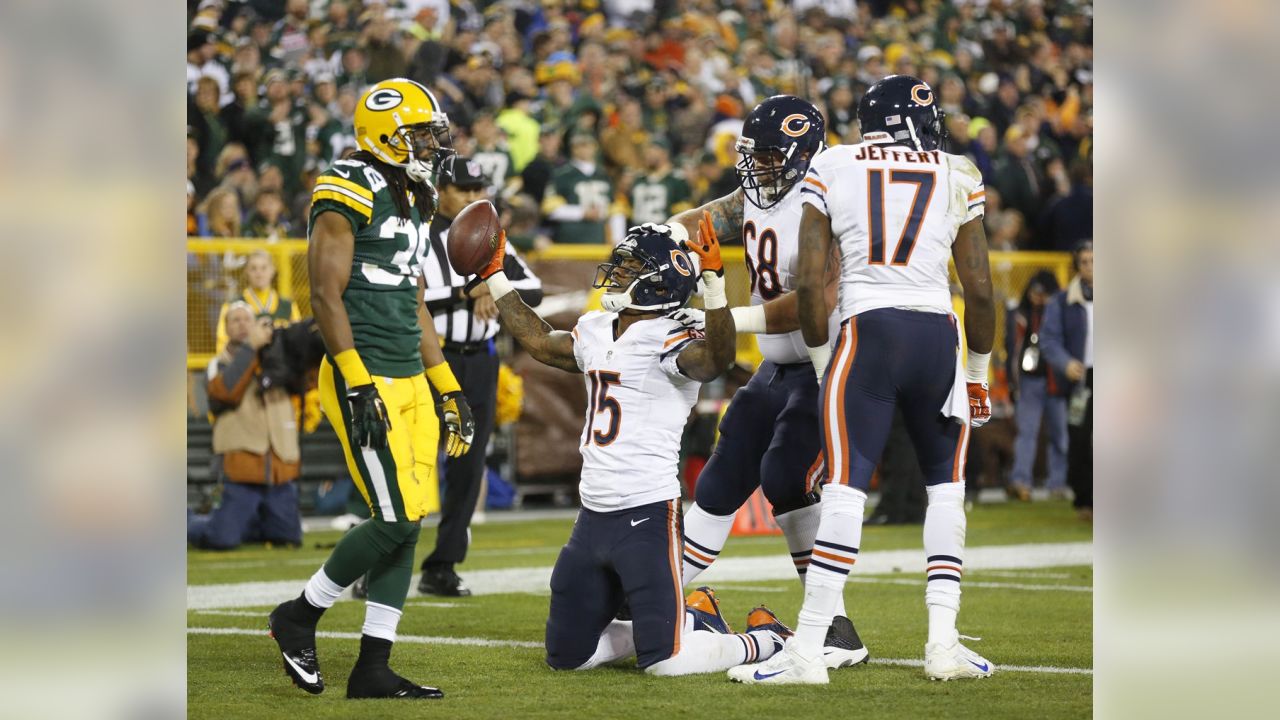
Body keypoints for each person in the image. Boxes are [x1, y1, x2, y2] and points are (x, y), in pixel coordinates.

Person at [730, 75, 996, 684]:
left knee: (846, 490)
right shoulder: (959, 171)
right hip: (937, 335)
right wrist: (977, 373)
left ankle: (808, 650)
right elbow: (980, 291)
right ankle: (943, 646)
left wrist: (825, 367)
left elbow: (810, 286)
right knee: (946, 492)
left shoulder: (834, 164)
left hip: (868, 334)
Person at [472, 221, 793, 676]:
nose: (617, 272)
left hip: (645, 516)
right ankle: (693, 620)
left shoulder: (670, 336)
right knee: (568, 658)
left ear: (658, 280)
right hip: (591, 518)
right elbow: (540, 342)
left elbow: (713, 361)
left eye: (630, 266)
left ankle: (766, 639)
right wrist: (495, 274)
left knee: (665, 663)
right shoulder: (598, 328)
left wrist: (715, 287)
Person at [266, 78, 476, 701]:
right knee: (392, 517)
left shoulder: (416, 194)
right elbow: (324, 293)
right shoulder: (346, 186)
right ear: (384, 133)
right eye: (418, 133)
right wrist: (356, 381)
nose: (429, 144)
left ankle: (373, 667)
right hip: (367, 374)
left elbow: (413, 302)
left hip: (410, 373)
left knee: (410, 521)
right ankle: (298, 615)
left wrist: (447, 386)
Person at [663, 95, 867, 671]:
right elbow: (701, 222)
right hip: (776, 367)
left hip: (824, 362)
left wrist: (726, 318)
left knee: (785, 476)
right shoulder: (757, 194)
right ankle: (661, 597)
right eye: (755, 156)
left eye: (773, 156)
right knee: (723, 474)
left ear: (804, 155)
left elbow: (814, 306)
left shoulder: (825, 201)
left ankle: (835, 628)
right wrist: (657, 241)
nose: (761, 168)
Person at [417, 155, 542, 596]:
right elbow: (408, 299)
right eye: (463, 190)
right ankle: (381, 562)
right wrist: (466, 291)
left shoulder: (491, 239)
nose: (473, 198)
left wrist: (493, 284)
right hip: (428, 359)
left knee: (469, 466)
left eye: (478, 190)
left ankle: (442, 565)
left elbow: (534, 288)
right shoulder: (417, 235)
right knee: (412, 459)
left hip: (480, 360)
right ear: (441, 189)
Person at [188, 303, 305, 550]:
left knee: (288, 539)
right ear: (227, 329)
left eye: (246, 320)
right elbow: (224, 393)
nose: (242, 324)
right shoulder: (218, 364)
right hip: (243, 470)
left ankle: (247, 522)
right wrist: (251, 347)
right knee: (222, 539)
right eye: (235, 320)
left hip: (278, 468)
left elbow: (304, 383)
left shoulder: (276, 359)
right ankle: (186, 522)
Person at [1041, 241, 1093, 521]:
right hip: (1082, 377)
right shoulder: (1062, 301)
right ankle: (1085, 500)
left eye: (1095, 260)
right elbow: (1049, 340)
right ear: (1077, 265)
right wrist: (1065, 363)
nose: (1091, 267)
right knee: (1080, 439)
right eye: (1085, 261)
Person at [1006, 270, 1067, 501]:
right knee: (1026, 432)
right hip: (1029, 381)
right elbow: (1012, 350)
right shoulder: (1020, 314)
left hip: (1055, 381)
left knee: (1059, 435)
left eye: (1043, 293)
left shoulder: (1061, 313)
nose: (1038, 298)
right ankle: (1020, 481)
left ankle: (1057, 483)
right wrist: (1013, 384)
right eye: (1035, 292)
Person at [215, 250, 301, 354]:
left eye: (264, 268)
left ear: (273, 270)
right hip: (246, 366)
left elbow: (298, 341)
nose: (259, 273)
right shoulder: (232, 306)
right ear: (246, 271)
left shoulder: (288, 306)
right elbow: (222, 344)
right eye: (253, 268)